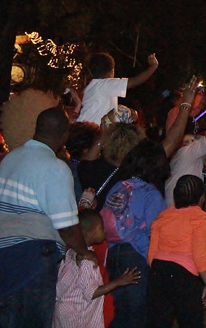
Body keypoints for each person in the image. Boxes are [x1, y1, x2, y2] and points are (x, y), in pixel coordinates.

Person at [0, 107, 97, 328]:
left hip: (4, 254)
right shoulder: (54, 168)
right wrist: (85, 252)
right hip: (32, 259)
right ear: (64, 135)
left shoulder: (10, 158)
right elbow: (66, 227)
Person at [100, 140, 170, 328]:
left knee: (120, 312)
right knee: (137, 314)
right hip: (136, 257)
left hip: (113, 254)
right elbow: (154, 234)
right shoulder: (150, 194)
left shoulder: (119, 186)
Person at [52, 209, 140, 328]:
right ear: (89, 233)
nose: (104, 231)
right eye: (101, 228)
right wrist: (120, 281)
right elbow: (90, 292)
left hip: (63, 312)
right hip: (76, 315)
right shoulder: (88, 260)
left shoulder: (71, 253)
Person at [147, 176, 206, 328]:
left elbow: (151, 254)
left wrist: (160, 275)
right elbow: (199, 255)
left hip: (158, 272)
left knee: (158, 322)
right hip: (184, 276)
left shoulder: (163, 216)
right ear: (202, 198)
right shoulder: (200, 218)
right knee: (190, 321)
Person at [77, 53, 159, 128]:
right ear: (111, 71)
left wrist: (129, 111)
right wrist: (153, 67)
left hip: (85, 129)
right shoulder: (106, 84)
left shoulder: (93, 86)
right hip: (93, 132)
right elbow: (135, 81)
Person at [78, 123, 144, 210]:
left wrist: (101, 137)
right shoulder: (138, 177)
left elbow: (86, 161)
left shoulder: (91, 169)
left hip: (93, 221)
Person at [66, 122, 102, 199]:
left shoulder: (68, 167)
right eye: (97, 147)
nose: (100, 153)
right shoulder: (79, 175)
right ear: (85, 150)